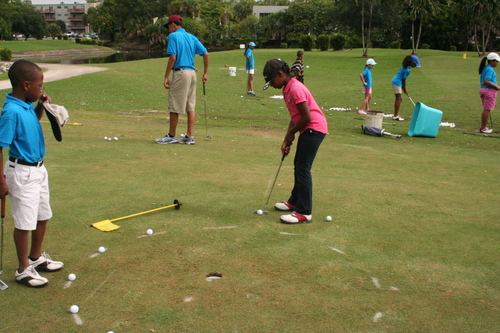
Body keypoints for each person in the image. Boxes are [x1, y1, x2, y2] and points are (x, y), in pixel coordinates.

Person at [0, 59, 64, 288]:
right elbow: (0, 145)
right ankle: (22, 269)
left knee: (42, 215)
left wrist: (40, 107)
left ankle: (35, 258)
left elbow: (32, 120)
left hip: (39, 169)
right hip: (21, 172)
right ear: (26, 85)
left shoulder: (26, 105)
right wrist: (1, 180)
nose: (42, 89)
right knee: (24, 223)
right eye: (40, 86)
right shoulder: (10, 112)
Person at [263, 58, 328, 224]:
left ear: (280, 74)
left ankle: (304, 212)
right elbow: (295, 116)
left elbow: (307, 117)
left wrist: (292, 133)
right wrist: (287, 138)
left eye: (272, 80)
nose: (271, 85)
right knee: (299, 165)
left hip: (314, 129)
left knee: (303, 168)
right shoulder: (288, 88)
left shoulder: (296, 89)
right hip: (309, 129)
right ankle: (294, 202)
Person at [156, 15, 209, 145]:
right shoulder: (192, 37)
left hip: (181, 73)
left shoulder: (173, 36)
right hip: (192, 74)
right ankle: (189, 136)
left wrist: (166, 76)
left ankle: (171, 135)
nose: (168, 28)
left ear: (174, 24)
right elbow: (205, 53)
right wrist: (206, 73)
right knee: (190, 105)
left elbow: (172, 57)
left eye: (168, 25)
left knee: (175, 105)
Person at [391, 55, 420, 121]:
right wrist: (404, 89)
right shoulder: (407, 70)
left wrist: (403, 88)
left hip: (396, 82)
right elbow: (403, 80)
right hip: (397, 82)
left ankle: (396, 115)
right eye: (415, 64)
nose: (415, 66)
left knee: (399, 98)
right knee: (399, 98)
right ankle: (395, 116)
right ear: (412, 62)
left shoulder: (406, 67)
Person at [478, 52, 500, 134]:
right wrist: (496, 86)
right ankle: (483, 128)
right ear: (491, 61)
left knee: (486, 109)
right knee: (487, 109)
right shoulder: (490, 70)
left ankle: (483, 127)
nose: (497, 63)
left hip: (484, 89)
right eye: (496, 61)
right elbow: (486, 81)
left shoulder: (485, 68)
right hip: (489, 91)